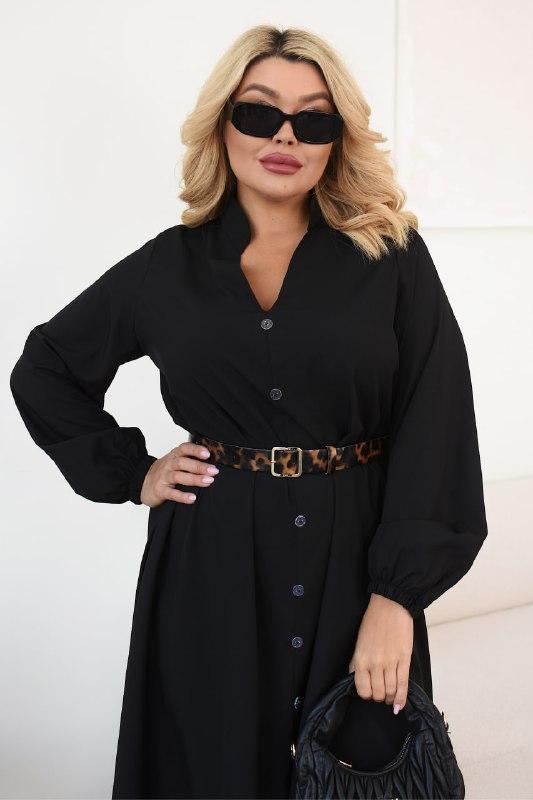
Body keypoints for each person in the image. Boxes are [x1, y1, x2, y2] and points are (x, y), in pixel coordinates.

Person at [9, 24, 488, 800]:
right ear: (222, 124)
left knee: (362, 766)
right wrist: (132, 472)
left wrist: (396, 597)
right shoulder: (166, 268)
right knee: (210, 765)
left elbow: (436, 423)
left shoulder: (390, 258)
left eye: (313, 120)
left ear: (337, 139)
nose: (284, 137)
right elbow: (46, 368)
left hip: (354, 559)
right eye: (259, 112)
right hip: (211, 561)